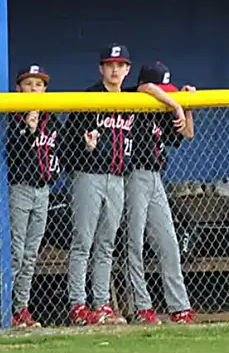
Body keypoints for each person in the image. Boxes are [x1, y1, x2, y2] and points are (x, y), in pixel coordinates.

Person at [61, 44, 187, 326]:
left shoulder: (132, 99)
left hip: (118, 178)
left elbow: (150, 89)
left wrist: (179, 104)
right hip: (88, 175)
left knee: (106, 244)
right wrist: (85, 147)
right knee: (83, 243)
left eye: (120, 65)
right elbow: (66, 144)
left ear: (128, 70)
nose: (115, 70)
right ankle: (78, 305)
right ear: (101, 69)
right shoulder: (90, 98)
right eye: (110, 65)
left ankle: (102, 304)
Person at [123, 62, 197, 325]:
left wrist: (186, 106)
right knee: (134, 243)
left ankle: (179, 306)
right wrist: (175, 104)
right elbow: (146, 87)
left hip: (155, 177)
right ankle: (141, 307)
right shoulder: (136, 95)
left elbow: (188, 134)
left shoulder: (163, 108)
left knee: (169, 244)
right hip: (133, 175)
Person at [7, 64, 61, 329]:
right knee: (15, 253)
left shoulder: (52, 119)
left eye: (39, 84)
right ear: (18, 88)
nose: (33, 89)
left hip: (44, 190)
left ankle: (21, 309)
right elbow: (11, 154)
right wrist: (27, 129)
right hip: (19, 188)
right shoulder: (11, 115)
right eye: (28, 84)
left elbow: (63, 151)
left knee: (30, 255)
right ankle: (5, 307)